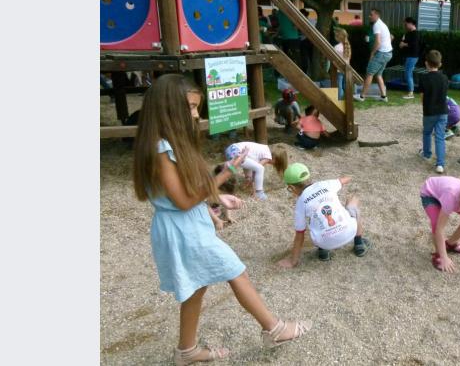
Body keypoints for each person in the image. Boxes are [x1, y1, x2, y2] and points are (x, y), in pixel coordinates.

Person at [132, 74, 309, 364]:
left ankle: (186, 351)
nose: (194, 114)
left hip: (186, 223)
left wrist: (216, 196)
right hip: (182, 229)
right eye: (189, 107)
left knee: (197, 286)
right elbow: (184, 200)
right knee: (235, 270)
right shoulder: (161, 149)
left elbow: (185, 195)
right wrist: (225, 173)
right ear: (168, 108)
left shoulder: (166, 145)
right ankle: (274, 328)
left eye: (195, 107)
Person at [278, 163, 370, 267]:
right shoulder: (326, 184)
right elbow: (343, 180)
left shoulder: (301, 202)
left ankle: (323, 251)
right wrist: (350, 177)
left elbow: (299, 235)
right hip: (349, 232)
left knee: (308, 223)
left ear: (291, 187)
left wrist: (292, 261)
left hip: (324, 242)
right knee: (353, 200)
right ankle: (359, 244)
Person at [418, 50, 449, 174]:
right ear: (440, 64)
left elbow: (422, 97)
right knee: (440, 137)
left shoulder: (424, 78)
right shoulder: (445, 78)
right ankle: (440, 164)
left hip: (429, 112)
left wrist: (425, 106)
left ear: (426, 63)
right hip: (443, 112)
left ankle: (426, 154)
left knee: (426, 133)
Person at [224, 142, 289, 201]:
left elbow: (249, 165)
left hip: (230, 149)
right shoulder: (268, 156)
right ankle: (259, 193)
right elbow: (256, 169)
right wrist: (254, 186)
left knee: (254, 167)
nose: (273, 164)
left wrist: (248, 178)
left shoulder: (263, 149)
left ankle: (229, 166)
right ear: (275, 158)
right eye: (276, 163)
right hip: (236, 152)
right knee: (260, 168)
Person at [354, 8, 393, 102]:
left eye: (371, 14)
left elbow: (378, 42)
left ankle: (361, 96)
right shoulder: (382, 24)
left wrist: (372, 53)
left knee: (369, 73)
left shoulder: (377, 25)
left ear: (376, 15)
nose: (369, 16)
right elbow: (390, 38)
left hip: (382, 53)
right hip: (388, 53)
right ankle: (384, 97)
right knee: (378, 74)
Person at [399, 17, 421, 99]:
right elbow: (402, 43)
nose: (405, 25)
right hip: (409, 56)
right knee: (409, 73)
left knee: (408, 73)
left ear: (411, 23)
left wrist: (404, 44)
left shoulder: (415, 34)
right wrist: (402, 44)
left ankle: (411, 93)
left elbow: (414, 45)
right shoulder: (407, 33)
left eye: (406, 23)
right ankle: (410, 91)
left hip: (413, 56)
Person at [333, 27, 352, 100]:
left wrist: (335, 64)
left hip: (339, 69)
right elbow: (348, 58)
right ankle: (347, 99)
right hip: (347, 68)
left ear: (338, 37)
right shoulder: (348, 46)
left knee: (339, 86)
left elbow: (335, 59)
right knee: (345, 85)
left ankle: (340, 100)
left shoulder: (337, 47)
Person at [299, 9, 316, 76]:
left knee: (305, 58)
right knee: (310, 58)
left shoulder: (302, 21)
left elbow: (301, 31)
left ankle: (305, 73)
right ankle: (310, 73)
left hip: (305, 40)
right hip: (312, 41)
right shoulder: (313, 20)